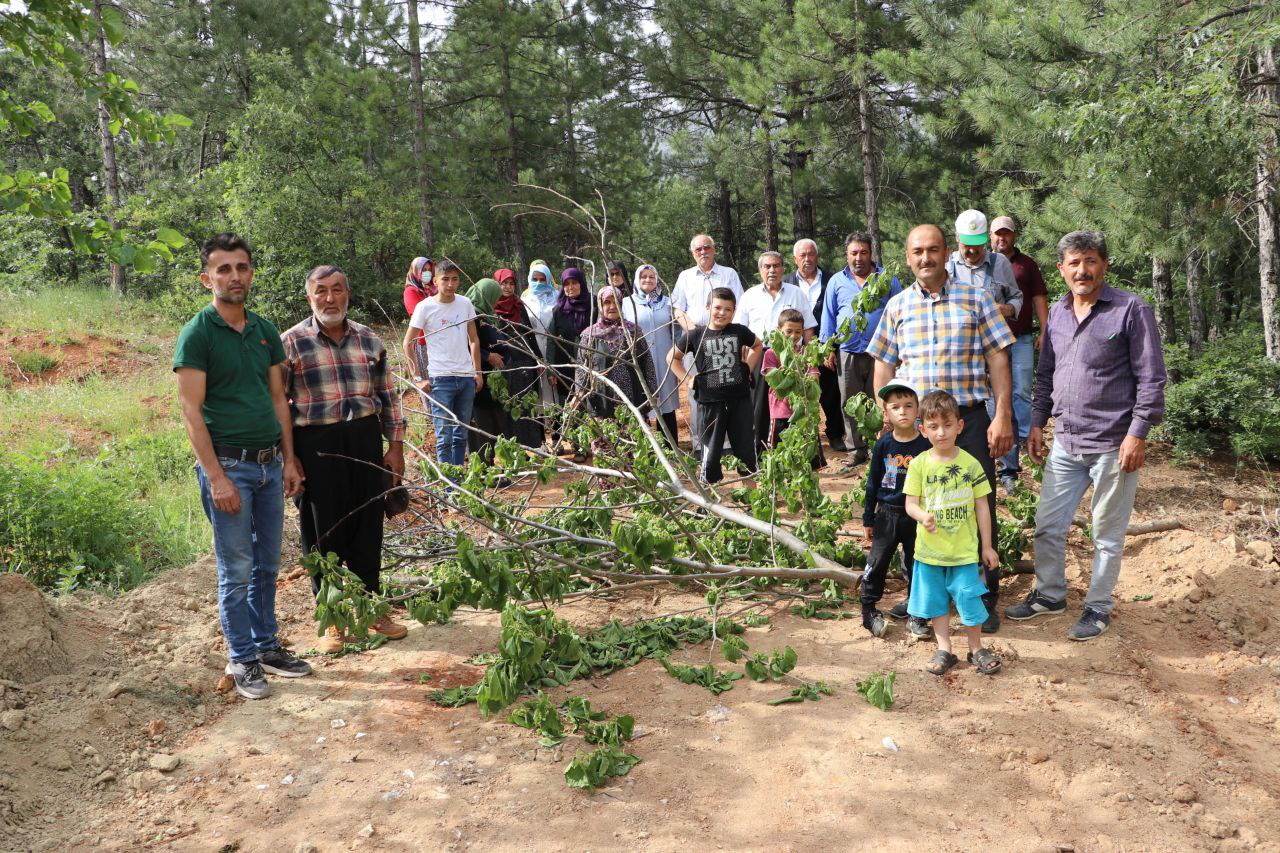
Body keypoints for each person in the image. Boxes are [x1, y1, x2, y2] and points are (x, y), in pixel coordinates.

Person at [1005, 230, 1167, 641]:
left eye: (1090, 261)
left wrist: (1138, 434)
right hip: (1067, 441)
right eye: (1074, 263)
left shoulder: (1130, 309)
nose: (1083, 270)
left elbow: (1151, 378)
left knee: (1106, 533)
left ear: (1103, 266)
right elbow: (1045, 376)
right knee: (1047, 525)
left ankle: (1097, 607)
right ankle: (1050, 595)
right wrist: (1038, 423)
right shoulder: (1057, 313)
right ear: (1061, 270)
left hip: (1114, 444)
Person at [174, 233, 309, 700]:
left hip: (270, 466)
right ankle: (242, 657)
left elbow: (278, 398)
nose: (234, 276)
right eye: (224, 268)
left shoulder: (266, 330)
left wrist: (290, 459)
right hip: (229, 467)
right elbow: (191, 411)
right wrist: (216, 477)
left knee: (268, 563)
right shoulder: (198, 333)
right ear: (207, 276)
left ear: (251, 272)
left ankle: (267, 646)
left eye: (242, 267)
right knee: (236, 568)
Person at [867, 224, 1015, 633]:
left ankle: (981, 596)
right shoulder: (896, 306)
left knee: (976, 503)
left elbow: (999, 361)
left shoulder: (977, 298)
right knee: (913, 509)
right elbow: (883, 365)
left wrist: (1002, 415)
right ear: (908, 255)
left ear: (945, 252)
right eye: (917, 252)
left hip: (967, 422)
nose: (925, 258)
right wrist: (888, 416)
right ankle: (923, 597)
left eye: (933, 250)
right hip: (914, 430)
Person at [282, 265, 409, 654]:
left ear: (347, 294)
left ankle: (372, 608)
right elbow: (278, 407)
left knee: (368, 525)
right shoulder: (290, 343)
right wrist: (289, 458)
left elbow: (388, 395)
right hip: (315, 445)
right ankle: (332, 618)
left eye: (337, 289)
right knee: (323, 532)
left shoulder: (369, 340)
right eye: (321, 291)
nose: (330, 298)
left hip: (364, 441)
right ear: (309, 298)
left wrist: (396, 447)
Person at [905, 390, 1002, 677]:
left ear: (960, 426)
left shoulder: (971, 464)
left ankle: (976, 648)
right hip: (930, 553)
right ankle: (944, 648)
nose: (941, 432)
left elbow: (983, 507)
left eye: (948, 425)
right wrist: (923, 516)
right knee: (936, 603)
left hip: (963, 552)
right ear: (922, 429)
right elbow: (910, 504)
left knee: (969, 598)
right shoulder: (919, 464)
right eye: (933, 426)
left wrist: (987, 546)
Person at [820, 232, 902, 470]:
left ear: (871, 253)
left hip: (882, 354)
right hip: (848, 351)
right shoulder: (836, 281)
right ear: (847, 255)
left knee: (882, 401)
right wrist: (828, 348)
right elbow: (829, 316)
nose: (858, 258)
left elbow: (899, 312)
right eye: (854, 253)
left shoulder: (887, 279)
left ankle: (883, 447)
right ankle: (856, 450)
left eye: (863, 252)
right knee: (850, 402)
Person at [860, 378, 932, 641]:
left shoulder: (925, 445)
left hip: (916, 516)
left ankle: (917, 613)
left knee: (917, 565)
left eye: (908, 405)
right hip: (887, 514)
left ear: (917, 410)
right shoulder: (884, 444)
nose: (902, 411)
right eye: (895, 406)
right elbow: (872, 482)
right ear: (886, 412)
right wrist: (868, 517)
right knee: (877, 563)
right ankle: (868, 609)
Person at [669, 287, 762, 484]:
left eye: (728, 309)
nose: (722, 313)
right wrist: (688, 380)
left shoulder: (739, 331)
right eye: (717, 308)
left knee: (746, 451)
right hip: (710, 403)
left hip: (740, 401)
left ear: (734, 311)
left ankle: (753, 500)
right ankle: (710, 503)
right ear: (708, 307)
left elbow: (757, 345)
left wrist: (747, 368)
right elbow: (672, 358)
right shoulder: (696, 335)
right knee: (710, 455)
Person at [402, 260, 483, 468]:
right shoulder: (425, 307)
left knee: (460, 434)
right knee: (444, 436)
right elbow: (408, 343)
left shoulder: (465, 304)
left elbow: (473, 339)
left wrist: (478, 372)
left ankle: (458, 481)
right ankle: (449, 486)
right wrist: (418, 378)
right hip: (440, 379)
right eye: (445, 279)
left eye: (454, 279)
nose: (450, 284)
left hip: (466, 378)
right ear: (435, 281)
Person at [735, 251, 817, 455]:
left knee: (789, 405)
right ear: (760, 270)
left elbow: (807, 328)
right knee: (760, 406)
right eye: (767, 266)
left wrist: (810, 355)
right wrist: (742, 362)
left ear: (783, 268)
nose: (772, 270)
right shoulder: (749, 295)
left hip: (791, 358)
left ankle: (790, 450)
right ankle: (761, 451)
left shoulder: (796, 293)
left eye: (776, 266)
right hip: (761, 355)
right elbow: (738, 330)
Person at [990, 215, 1050, 492]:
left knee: (1022, 393)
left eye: (1007, 234)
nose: (1002, 238)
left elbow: (1039, 297)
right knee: (995, 402)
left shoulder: (1027, 265)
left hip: (1022, 337)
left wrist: (1045, 330)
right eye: (997, 234)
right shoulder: (982, 264)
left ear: (1014, 236)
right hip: (989, 343)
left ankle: (1028, 440)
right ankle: (1002, 463)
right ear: (990, 236)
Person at [671, 235, 744, 459]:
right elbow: (676, 308)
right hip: (695, 341)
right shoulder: (685, 277)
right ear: (693, 253)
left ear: (715, 249)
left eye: (707, 247)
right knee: (697, 394)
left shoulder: (728, 274)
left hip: (724, 341)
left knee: (726, 391)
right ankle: (700, 444)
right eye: (698, 249)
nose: (703, 251)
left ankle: (727, 443)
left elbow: (739, 305)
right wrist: (693, 330)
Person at [785, 238, 845, 452]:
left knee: (831, 393)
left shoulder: (833, 280)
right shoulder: (786, 283)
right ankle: (804, 438)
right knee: (800, 395)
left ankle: (836, 434)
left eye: (811, 254)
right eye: (802, 255)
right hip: (796, 351)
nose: (807, 259)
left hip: (826, 347)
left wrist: (830, 349)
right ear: (794, 259)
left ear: (817, 256)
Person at [574, 286, 659, 421]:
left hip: (632, 397)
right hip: (600, 399)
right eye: (607, 302)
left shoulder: (633, 331)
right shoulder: (590, 335)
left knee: (633, 436)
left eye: (616, 302)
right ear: (600, 305)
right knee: (606, 437)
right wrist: (579, 393)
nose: (612, 306)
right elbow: (581, 368)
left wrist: (652, 391)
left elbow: (647, 362)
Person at [621, 264, 681, 446]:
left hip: (665, 359)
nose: (647, 280)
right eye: (643, 277)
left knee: (666, 403)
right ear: (636, 281)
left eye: (651, 276)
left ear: (657, 280)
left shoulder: (668, 303)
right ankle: (645, 448)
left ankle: (670, 447)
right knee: (641, 401)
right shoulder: (626, 303)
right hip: (639, 361)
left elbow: (677, 332)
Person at [760, 308, 825, 470]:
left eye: (798, 332)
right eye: (788, 331)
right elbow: (773, 380)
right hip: (780, 412)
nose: (793, 336)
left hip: (804, 412)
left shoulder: (806, 353)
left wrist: (803, 379)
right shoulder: (771, 353)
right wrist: (796, 377)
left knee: (809, 453)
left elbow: (814, 377)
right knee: (779, 454)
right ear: (779, 330)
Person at [545, 267, 596, 461]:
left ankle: (600, 443)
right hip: (565, 364)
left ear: (581, 283)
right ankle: (579, 446)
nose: (570, 287)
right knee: (571, 405)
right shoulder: (559, 309)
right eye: (566, 284)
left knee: (591, 403)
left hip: (591, 362)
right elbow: (550, 339)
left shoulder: (593, 305)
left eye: (574, 283)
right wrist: (551, 368)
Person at [493, 268, 546, 449]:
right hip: (504, 364)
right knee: (509, 408)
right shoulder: (491, 307)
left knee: (526, 406)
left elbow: (530, 334)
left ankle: (532, 445)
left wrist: (538, 358)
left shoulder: (519, 305)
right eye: (503, 283)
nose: (507, 287)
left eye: (511, 283)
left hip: (524, 362)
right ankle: (514, 449)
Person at [945, 209, 1023, 321]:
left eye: (977, 244)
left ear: (985, 238)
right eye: (967, 244)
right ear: (957, 237)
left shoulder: (1000, 263)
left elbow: (1016, 297)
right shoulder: (946, 266)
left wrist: (1007, 309)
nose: (972, 250)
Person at [465, 278, 512, 458]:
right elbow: (467, 344)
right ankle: (483, 468)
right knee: (481, 424)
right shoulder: (471, 316)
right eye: (494, 297)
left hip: (491, 378)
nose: (496, 302)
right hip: (479, 376)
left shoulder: (485, 313)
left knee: (492, 423)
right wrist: (488, 356)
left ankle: (489, 464)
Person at [521, 261, 559, 441]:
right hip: (533, 350)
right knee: (537, 395)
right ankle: (541, 440)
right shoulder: (525, 299)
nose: (538, 282)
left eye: (542, 279)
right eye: (534, 279)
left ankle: (559, 436)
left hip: (554, 350)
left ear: (549, 279)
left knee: (556, 393)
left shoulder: (557, 296)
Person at [403, 257, 436, 391]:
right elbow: (418, 315)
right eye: (424, 270)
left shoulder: (432, 289)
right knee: (429, 385)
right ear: (415, 271)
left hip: (438, 340)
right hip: (423, 342)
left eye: (429, 270)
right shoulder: (411, 291)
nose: (427, 273)